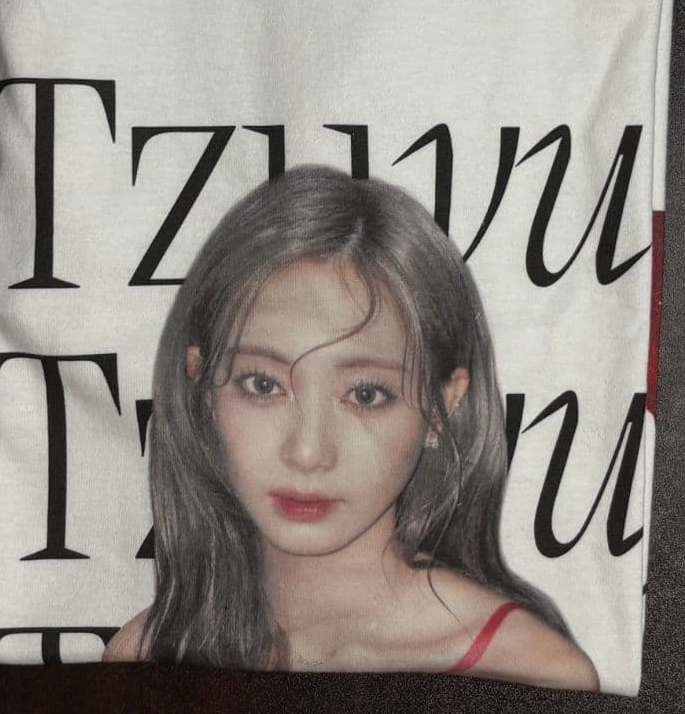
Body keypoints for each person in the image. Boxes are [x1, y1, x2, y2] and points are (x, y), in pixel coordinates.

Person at [103, 164, 599, 690]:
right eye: (263, 385)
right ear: (201, 387)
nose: (308, 452)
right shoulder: (147, 656)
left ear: (442, 405)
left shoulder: (530, 672)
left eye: (365, 395)